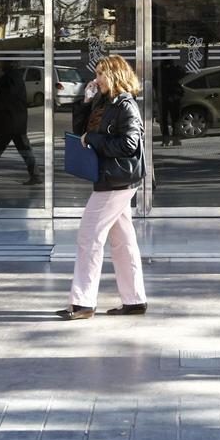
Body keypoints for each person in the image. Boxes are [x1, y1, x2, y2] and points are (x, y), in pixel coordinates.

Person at [56, 54, 148, 320]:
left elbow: (129, 145)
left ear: (114, 75)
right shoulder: (104, 101)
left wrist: (95, 139)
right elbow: (82, 132)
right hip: (110, 179)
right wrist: (85, 101)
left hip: (116, 181)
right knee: (123, 241)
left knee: (88, 237)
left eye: (100, 74)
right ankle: (135, 300)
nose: (96, 79)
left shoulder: (126, 105)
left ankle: (84, 302)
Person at [0, 61, 42, 186]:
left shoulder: (7, 80)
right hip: (16, 121)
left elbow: (3, 100)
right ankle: (35, 175)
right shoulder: (17, 78)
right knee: (25, 150)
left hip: (8, 122)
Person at [157, 58, 184, 147]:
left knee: (165, 120)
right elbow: (182, 74)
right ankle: (175, 139)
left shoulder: (159, 71)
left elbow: (155, 84)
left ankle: (166, 140)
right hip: (173, 97)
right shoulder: (175, 70)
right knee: (175, 119)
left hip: (164, 97)